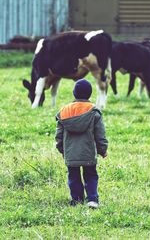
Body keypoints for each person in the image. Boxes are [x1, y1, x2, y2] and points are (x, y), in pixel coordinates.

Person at [55, 79, 108, 208]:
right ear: (89, 94)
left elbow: (59, 136)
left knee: (73, 177)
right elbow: (100, 135)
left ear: (74, 93)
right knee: (90, 175)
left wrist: (62, 150)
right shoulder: (94, 111)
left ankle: (77, 200)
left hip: (71, 153)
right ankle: (92, 199)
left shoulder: (64, 111)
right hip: (88, 153)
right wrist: (103, 150)